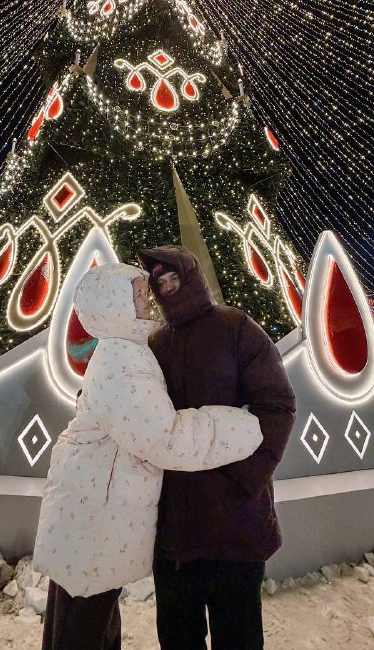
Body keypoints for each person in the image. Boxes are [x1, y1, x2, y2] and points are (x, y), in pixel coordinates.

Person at [33, 262, 265, 650]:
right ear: (114, 305)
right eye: (138, 294)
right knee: (82, 625)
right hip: (96, 514)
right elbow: (165, 438)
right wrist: (243, 426)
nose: (149, 299)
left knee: (88, 617)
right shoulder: (122, 359)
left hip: (94, 509)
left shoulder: (128, 350)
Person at [137, 246, 296, 650]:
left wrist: (247, 477)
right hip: (176, 527)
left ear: (191, 277)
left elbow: (277, 404)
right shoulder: (155, 345)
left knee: (238, 636)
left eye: (174, 278)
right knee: (178, 637)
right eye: (160, 283)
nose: (168, 288)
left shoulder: (236, 327)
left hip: (235, 523)